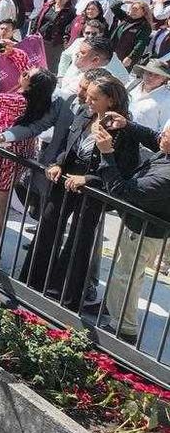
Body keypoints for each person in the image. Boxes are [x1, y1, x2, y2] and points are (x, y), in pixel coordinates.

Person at [36, 77, 142, 309]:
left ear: (111, 100)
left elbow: (124, 168)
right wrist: (57, 164)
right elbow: (68, 144)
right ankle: (35, 281)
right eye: (88, 96)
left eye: (95, 98)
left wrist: (88, 179)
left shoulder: (123, 128)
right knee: (48, 225)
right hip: (65, 180)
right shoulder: (84, 113)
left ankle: (65, 295)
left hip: (94, 189)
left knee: (79, 240)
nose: (88, 100)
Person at [0, 42, 56, 262]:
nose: (23, 71)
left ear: (31, 85)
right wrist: (13, 52)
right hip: (8, 150)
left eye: (26, 74)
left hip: (5, 155)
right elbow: (27, 66)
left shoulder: (19, 101)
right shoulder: (37, 95)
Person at [96, 117, 170, 341]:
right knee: (126, 274)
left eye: (165, 135)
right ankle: (113, 310)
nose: (160, 137)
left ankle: (124, 329)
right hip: (140, 227)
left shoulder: (165, 177)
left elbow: (121, 190)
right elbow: (152, 137)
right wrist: (127, 125)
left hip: (143, 231)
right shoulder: (165, 150)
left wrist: (106, 153)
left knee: (125, 277)